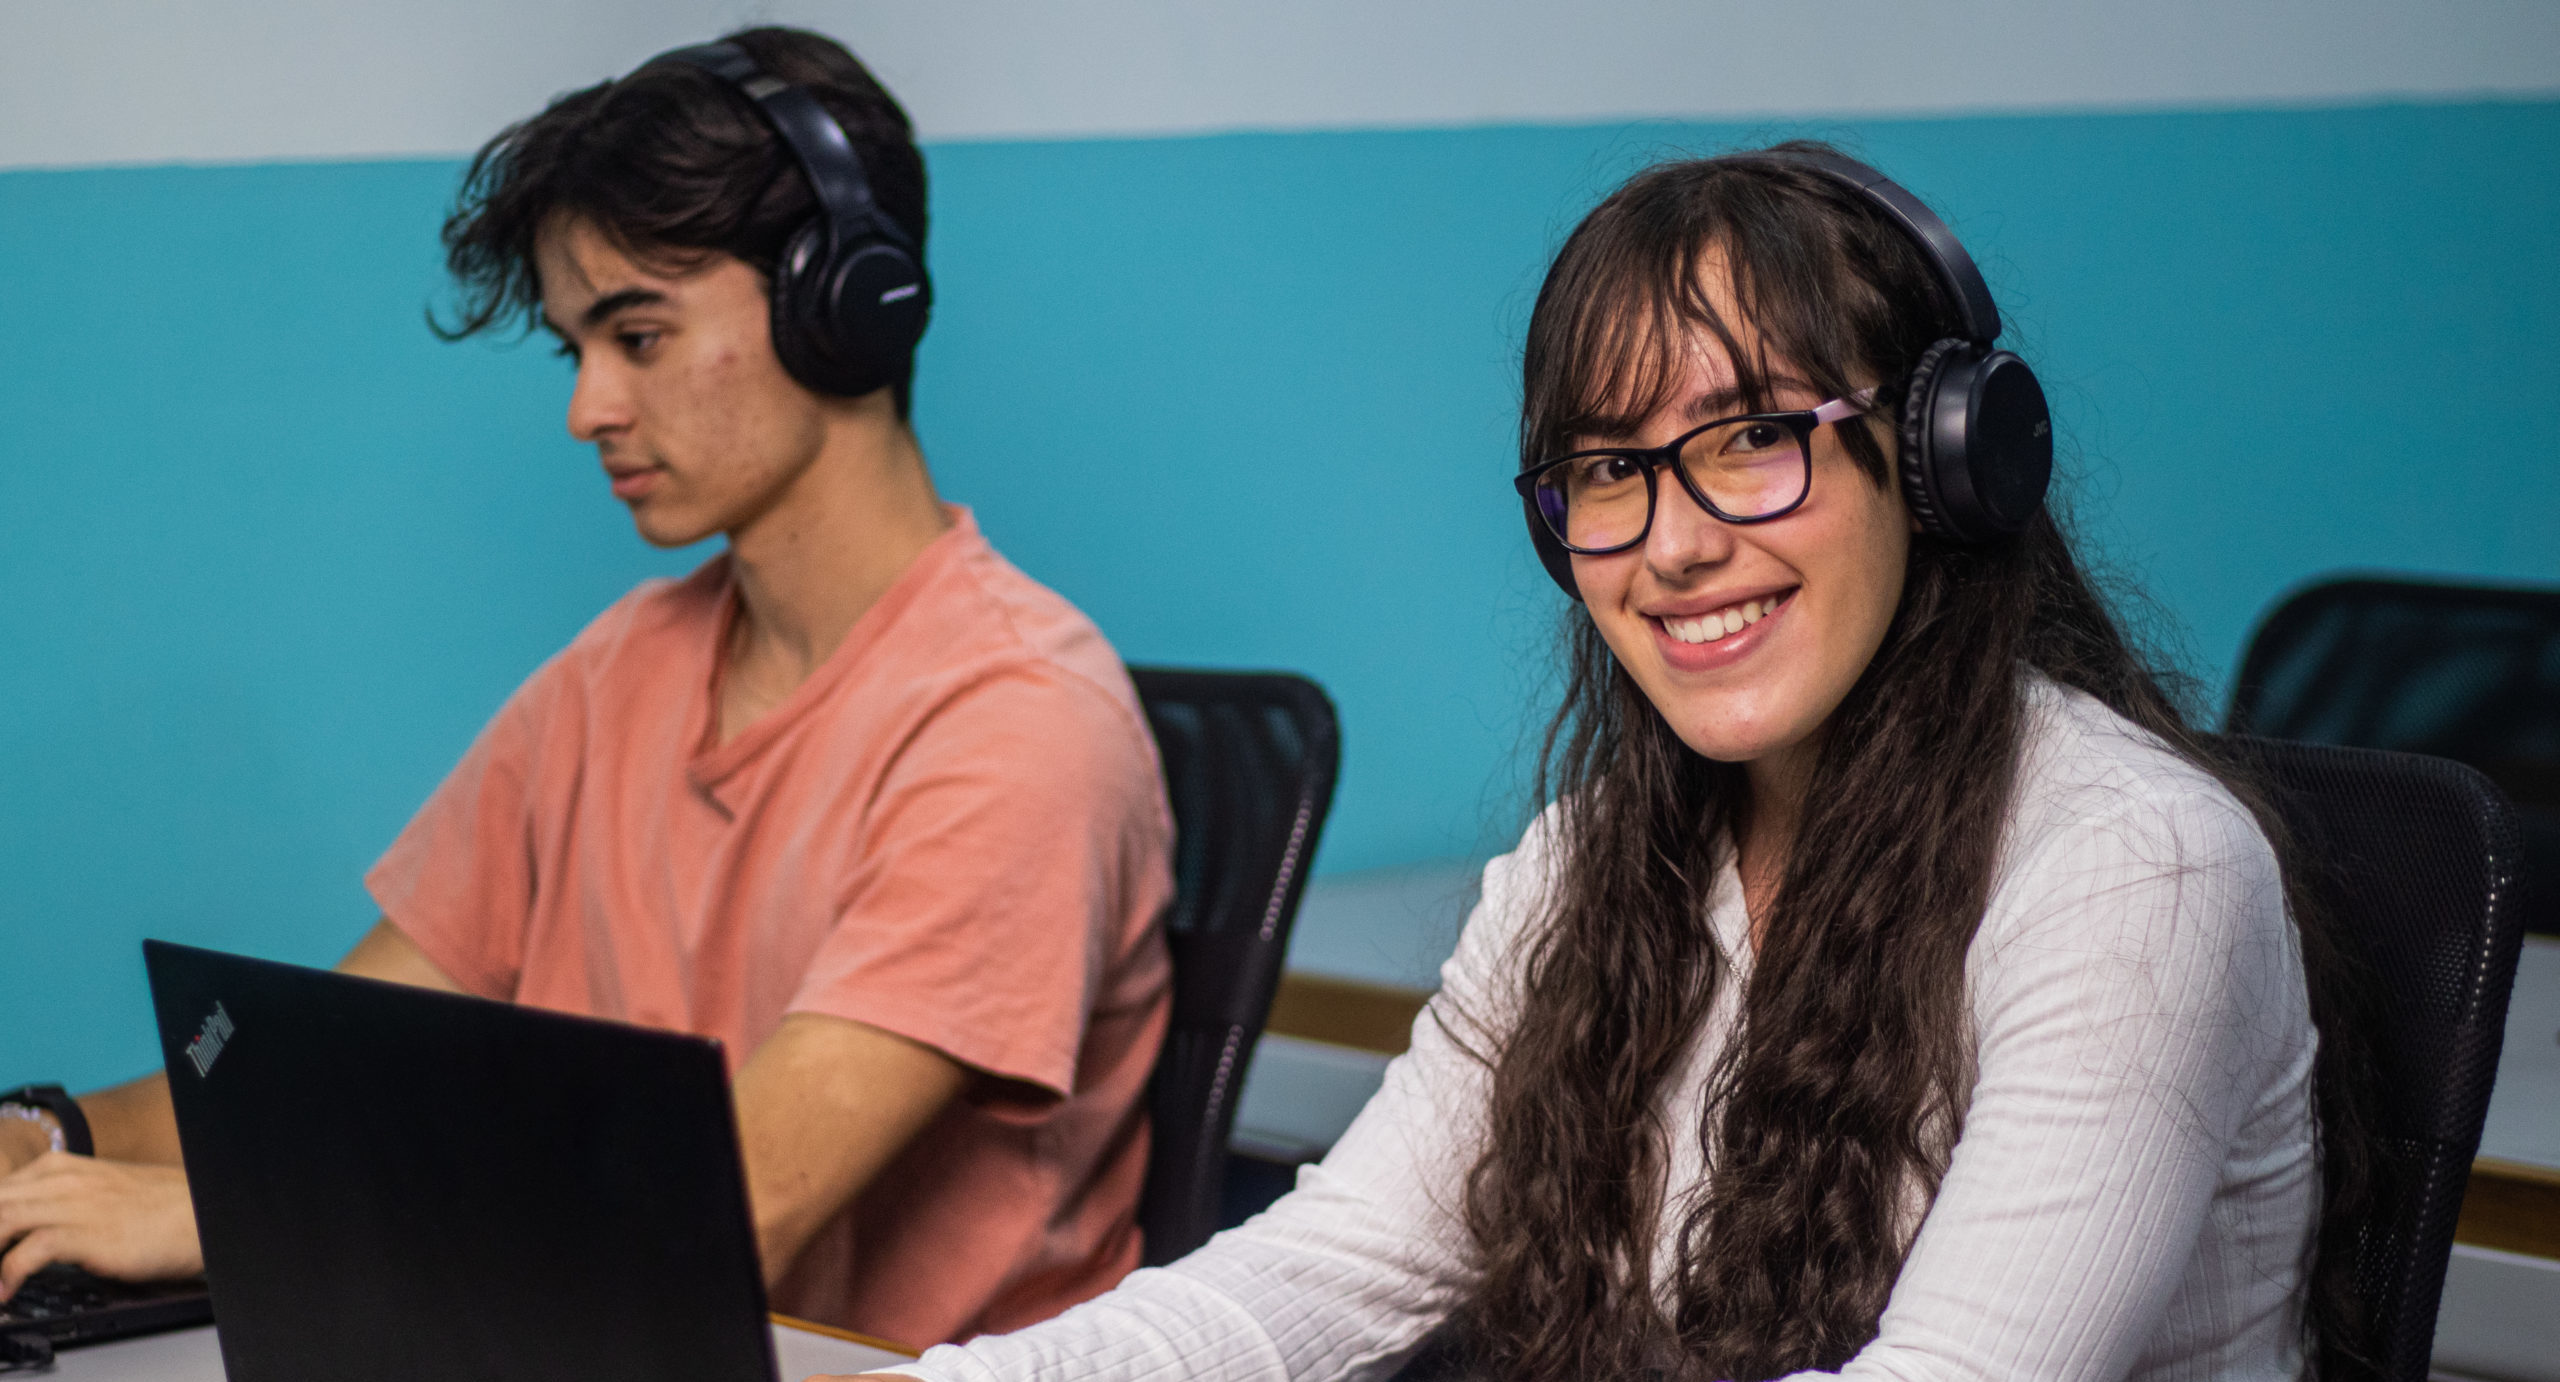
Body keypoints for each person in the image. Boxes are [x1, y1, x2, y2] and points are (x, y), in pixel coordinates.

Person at [824, 145, 2379, 1382]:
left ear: (1943, 459)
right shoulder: (1597, 860)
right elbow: (1332, 1268)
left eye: (1754, 436)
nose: (1678, 544)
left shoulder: (2136, 867)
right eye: (1609, 471)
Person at [0, 26, 1175, 1348]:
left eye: (637, 333)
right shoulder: (623, 668)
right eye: (576, 351)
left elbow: (728, 1220)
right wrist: (45, 1138)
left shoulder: (1017, 720)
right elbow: (323, 1071)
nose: (587, 408)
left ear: (844, 305)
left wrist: (220, 1208)